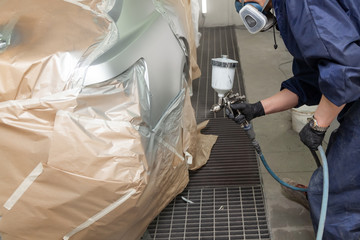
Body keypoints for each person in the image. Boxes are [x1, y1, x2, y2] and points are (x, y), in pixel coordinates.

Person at [228, 0, 360, 239]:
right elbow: (310, 80)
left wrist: (318, 124)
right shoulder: (288, 9)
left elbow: (346, 70)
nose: (240, 4)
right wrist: (257, 108)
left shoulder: (301, 4)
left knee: (332, 197)